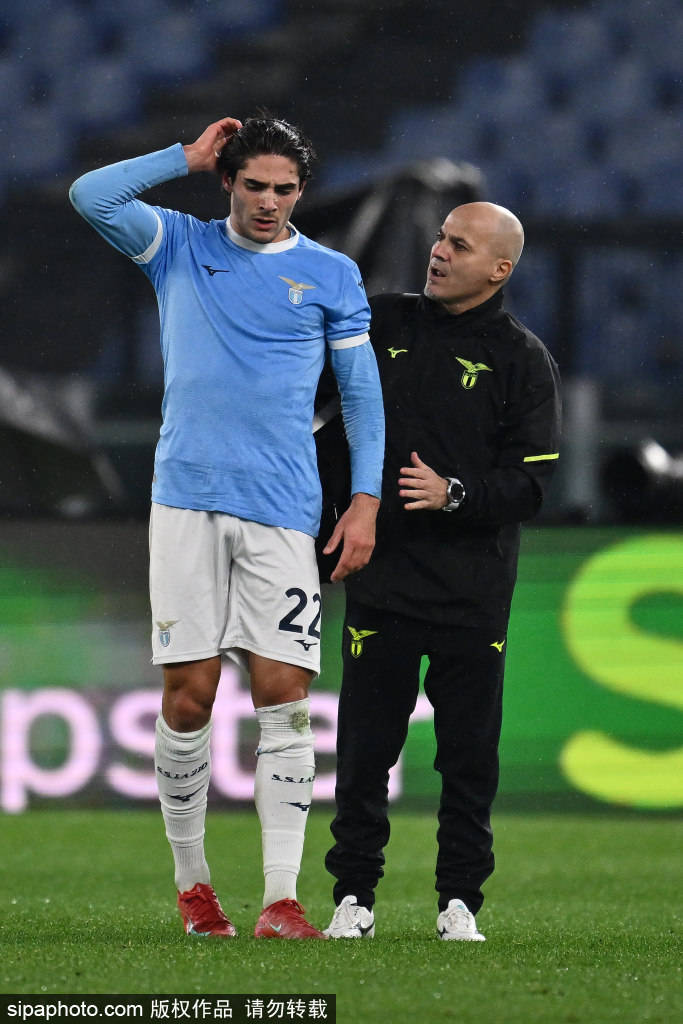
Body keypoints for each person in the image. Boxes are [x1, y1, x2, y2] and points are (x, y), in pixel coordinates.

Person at [69, 114, 384, 940]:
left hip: (283, 510)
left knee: (286, 696)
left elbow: (361, 396)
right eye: (254, 185)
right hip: (186, 502)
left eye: (285, 189)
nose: (269, 202)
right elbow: (90, 195)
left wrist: (364, 500)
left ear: (301, 191)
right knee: (190, 696)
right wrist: (181, 155)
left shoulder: (330, 274)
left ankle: (282, 899)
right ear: (227, 182)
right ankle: (194, 886)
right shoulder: (177, 244)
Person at [323, 202, 561, 942]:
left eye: (459, 245)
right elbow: (323, 419)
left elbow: (531, 486)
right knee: (364, 755)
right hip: (382, 579)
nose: (438, 251)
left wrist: (453, 494)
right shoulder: (381, 321)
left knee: (467, 761)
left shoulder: (522, 359)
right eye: (439, 237)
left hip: (471, 594)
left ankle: (458, 902)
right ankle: (353, 897)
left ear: (499, 269)